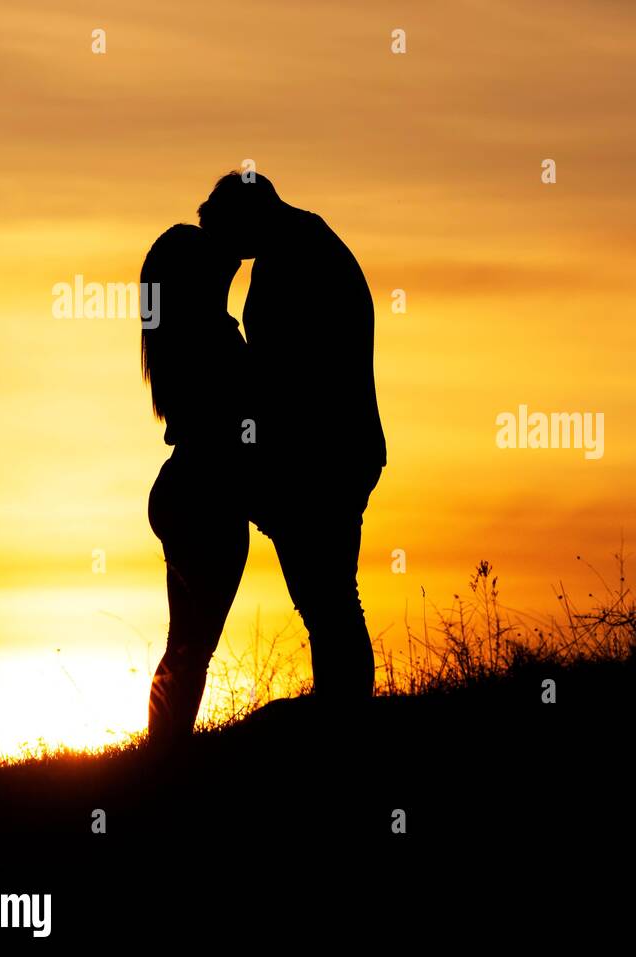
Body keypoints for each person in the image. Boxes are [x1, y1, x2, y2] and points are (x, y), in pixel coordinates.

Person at [197, 172, 387, 701]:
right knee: (327, 598)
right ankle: (342, 710)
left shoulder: (294, 257)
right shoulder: (302, 244)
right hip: (333, 448)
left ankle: (343, 714)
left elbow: (283, 373)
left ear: (246, 217)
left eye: (230, 238)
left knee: (327, 599)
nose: (230, 257)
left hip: (322, 455)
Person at [140, 224, 252, 750]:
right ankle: (166, 753)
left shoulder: (175, 340)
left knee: (184, 642)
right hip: (206, 496)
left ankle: (163, 751)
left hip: (182, 490)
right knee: (193, 644)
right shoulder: (211, 337)